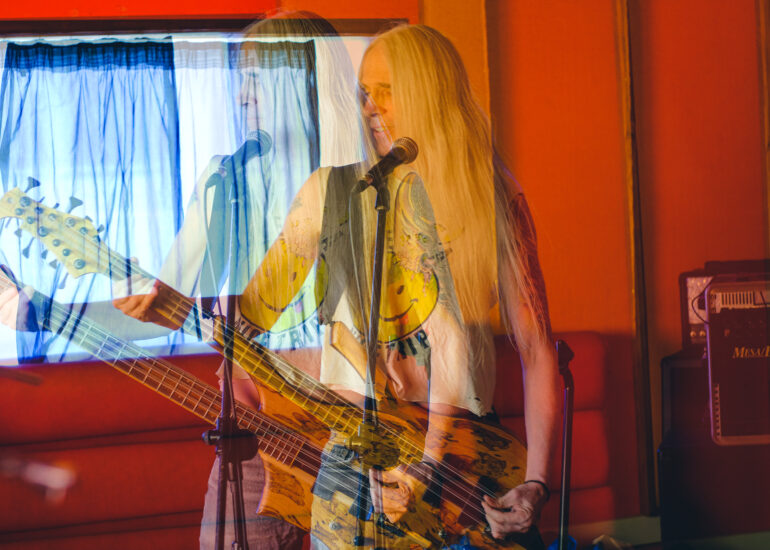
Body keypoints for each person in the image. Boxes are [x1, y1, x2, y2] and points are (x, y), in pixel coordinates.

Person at [113, 23, 559, 548]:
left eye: (386, 93)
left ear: (430, 94)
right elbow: (253, 315)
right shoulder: (329, 191)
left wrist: (536, 481)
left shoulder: (494, 200)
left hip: (465, 457)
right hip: (356, 454)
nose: (370, 108)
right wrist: (175, 308)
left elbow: (537, 350)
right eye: (365, 93)